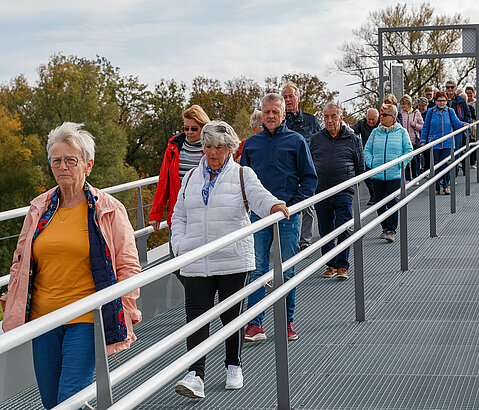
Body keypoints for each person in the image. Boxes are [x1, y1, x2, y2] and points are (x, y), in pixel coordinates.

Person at [0, 122, 141, 409]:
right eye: (56, 161)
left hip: (86, 317)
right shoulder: (39, 208)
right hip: (43, 318)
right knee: (51, 401)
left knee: (70, 398)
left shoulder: (109, 209)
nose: (62, 166)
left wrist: (124, 311)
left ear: (88, 164)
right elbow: (20, 260)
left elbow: (128, 266)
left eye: (71, 160)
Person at [171, 121, 288, 397]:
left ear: (230, 149)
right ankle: (195, 374)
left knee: (231, 316)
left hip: (232, 259)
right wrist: (180, 246)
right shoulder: (191, 177)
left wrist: (274, 205)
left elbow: (259, 197)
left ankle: (233, 365)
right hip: (196, 259)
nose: (213, 152)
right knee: (196, 318)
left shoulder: (242, 175)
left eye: (219, 147)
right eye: (208, 146)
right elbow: (179, 215)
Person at [241, 93, 317, 342]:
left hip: (287, 216)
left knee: (286, 270)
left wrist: (293, 206)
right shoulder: (252, 144)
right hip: (259, 217)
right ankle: (255, 324)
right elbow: (243, 180)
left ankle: (286, 321)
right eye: (267, 112)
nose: (271, 116)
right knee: (257, 270)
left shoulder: (296, 141)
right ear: (261, 114)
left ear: (284, 114)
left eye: (275, 112)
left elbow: (309, 178)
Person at [309, 104, 364, 279]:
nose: (329, 120)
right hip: (322, 191)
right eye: (326, 116)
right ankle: (330, 264)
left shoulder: (353, 139)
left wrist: (351, 184)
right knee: (325, 230)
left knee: (343, 228)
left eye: (333, 116)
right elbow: (310, 164)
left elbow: (360, 166)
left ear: (341, 117)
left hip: (344, 190)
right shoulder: (316, 139)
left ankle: (342, 266)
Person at [149, 105, 210, 258]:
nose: (189, 132)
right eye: (186, 128)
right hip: (178, 212)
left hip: (203, 212)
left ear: (203, 127)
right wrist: (156, 214)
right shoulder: (174, 148)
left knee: (201, 258)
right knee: (176, 258)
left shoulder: (211, 149)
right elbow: (164, 181)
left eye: (194, 129)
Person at [363, 103, 413, 243]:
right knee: (379, 203)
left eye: (385, 115)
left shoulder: (401, 132)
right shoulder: (375, 132)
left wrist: (400, 165)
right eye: (381, 114)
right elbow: (367, 150)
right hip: (377, 174)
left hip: (394, 174)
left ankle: (391, 230)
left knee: (391, 201)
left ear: (393, 117)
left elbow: (409, 151)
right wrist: (372, 163)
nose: (381, 117)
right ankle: (385, 227)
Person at [282, 82, 320, 251]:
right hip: (286, 172)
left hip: (306, 170)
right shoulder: (280, 121)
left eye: (291, 96)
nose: (288, 100)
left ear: (298, 98)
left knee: (308, 207)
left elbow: (320, 144)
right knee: (287, 207)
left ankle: (305, 241)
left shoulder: (311, 120)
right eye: (285, 97)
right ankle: (289, 240)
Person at [420, 92, 468, 195]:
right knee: (436, 166)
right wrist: (423, 141)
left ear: (446, 101)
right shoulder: (431, 111)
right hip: (434, 143)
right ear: (435, 101)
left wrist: (463, 124)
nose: (441, 103)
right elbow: (426, 127)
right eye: (439, 100)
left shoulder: (450, 111)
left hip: (447, 143)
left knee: (446, 165)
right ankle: (437, 187)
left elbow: (456, 122)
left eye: (443, 100)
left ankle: (446, 185)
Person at [352, 108, 379, 205]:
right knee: (366, 176)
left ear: (378, 118)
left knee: (378, 177)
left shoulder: (382, 123)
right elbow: (352, 130)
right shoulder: (362, 123)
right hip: (367, 154)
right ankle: (373, 195)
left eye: (373, 119)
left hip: (379, 153)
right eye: (369, 119)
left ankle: (378, 196)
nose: (371, 121)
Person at [445, 80, 472, 175]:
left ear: (455, 88)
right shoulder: (441, 100)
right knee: (445, 155)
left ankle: (453, 176)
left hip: (457, 130)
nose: (450, 89)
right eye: (448, 87)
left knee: (456, 153)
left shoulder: (461, 101)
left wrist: (464, 125)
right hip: (445, 131)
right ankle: (445, 178)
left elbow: (467, 115)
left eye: (452, 87)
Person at [399, 94, 424, 181]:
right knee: (405, 160)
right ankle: (407, 179)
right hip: (404, 141)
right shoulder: (400, 114)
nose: (403, 106)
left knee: (414, 160)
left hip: (414, 140)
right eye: (402, 104)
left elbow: (423, 126)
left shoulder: (416, 113)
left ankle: (415, 177)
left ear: (409, 104)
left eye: (404, 104)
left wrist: (415, 125)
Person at [465, 85, 478, 167]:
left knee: (474, 143)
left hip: (474, 126)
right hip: (467, 126)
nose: (469, 95)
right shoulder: (464, 103)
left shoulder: (477, 103)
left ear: (473, 93)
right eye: (467, 93)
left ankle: (473, 162)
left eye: (470, 93)